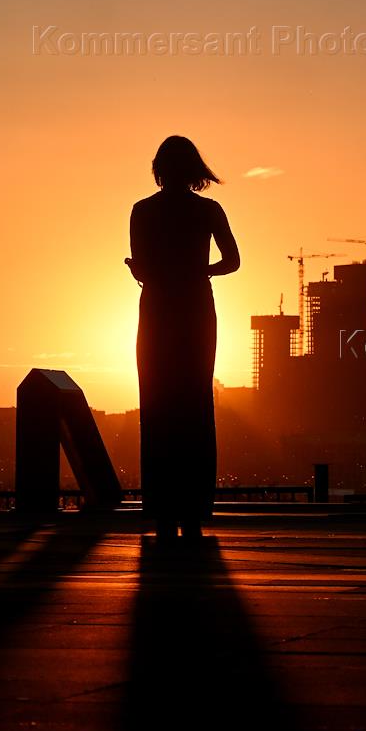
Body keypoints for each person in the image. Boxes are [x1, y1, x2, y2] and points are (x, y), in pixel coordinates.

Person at [126, 136, 240, 539]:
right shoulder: (208, 210)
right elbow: (232, 261)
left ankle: (162, 509)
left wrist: (143, 271)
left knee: (157, 405)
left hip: (158, 309)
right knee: (195, 405)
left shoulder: (142, 211)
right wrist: (200, 271)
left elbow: (142, 267)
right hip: (195, 309)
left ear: (159, 169)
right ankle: (193, 510)